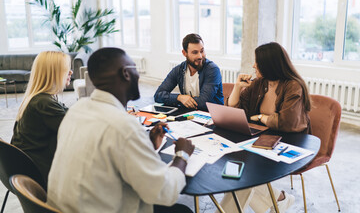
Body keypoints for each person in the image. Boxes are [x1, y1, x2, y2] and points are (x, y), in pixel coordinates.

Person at [47, 47, 195, 213]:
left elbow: (107, 157)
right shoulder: (124, 126)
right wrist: (182, 155)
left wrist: (146, 144)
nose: (138, 76)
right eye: (135, 69)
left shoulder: (77, 109)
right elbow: (165, 193)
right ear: (126, 73)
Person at [221, 42, 312, 213]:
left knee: (241, 174)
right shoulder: (260, 83)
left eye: (257, 62)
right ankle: (280, 200)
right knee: (238, 172)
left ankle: (280, 201)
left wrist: (261, 117)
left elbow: (287, 121)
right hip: (263, 138)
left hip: (289, 141)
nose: (254, 65)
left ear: (270, 65)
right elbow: (238, 112)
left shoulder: (293, 86)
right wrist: (237, 87)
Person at [11, 51, 72, 184]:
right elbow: (75, 128)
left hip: (23, 165)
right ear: (54, 73)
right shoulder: (43, 103)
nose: (71, 73)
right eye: (67, 69)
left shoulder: (38, 98)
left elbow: (69, 114)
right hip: (37, 171)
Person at [154, 33, 223, 111]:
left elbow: (203, 102)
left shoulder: (212, 69)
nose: (200, 56)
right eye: (195, 52)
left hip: (212, 116)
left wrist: (185, 100)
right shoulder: (178, 70)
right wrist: (179, 97)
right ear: (184, 53)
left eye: (202, 51)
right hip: (190, 114)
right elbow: (158, 95)